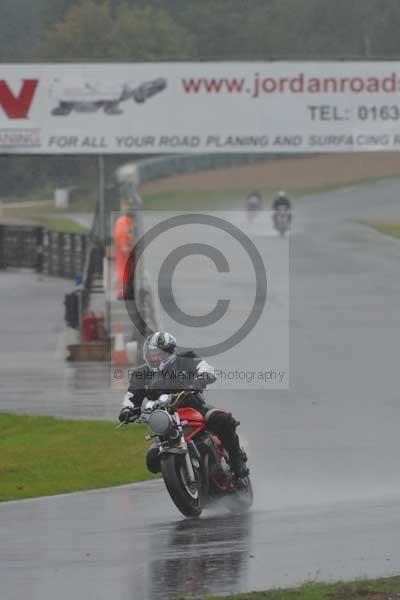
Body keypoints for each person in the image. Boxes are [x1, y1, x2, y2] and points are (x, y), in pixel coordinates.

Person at [118, 331, 249, 479]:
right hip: (164, 419)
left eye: (158, 354)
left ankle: (237, 458)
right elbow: (131, 395)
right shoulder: (141, 374)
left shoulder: (185, 359)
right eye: (151, 354)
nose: (154, 357)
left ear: (169, 352)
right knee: (152, 460)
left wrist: (200, 379)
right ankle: (182, 474)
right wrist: (127, 410)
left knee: (222, 419)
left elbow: (206, 369)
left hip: (193, 406)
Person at [113, 209, 135, 300]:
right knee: (125, 271)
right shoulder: (128, 223)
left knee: (121, 270)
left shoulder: (120, 221)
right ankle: (124, 292)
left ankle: (123, 291)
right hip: (124, 249)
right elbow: (128, 236)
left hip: (119, 248)